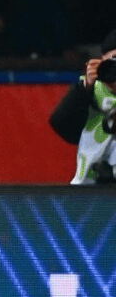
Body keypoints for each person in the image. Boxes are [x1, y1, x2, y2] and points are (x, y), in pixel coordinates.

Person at [50, 29, 116, 184]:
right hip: (89, 188)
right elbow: (64, 128)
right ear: (102, 62)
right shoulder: (90, 90)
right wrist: (85, 88)